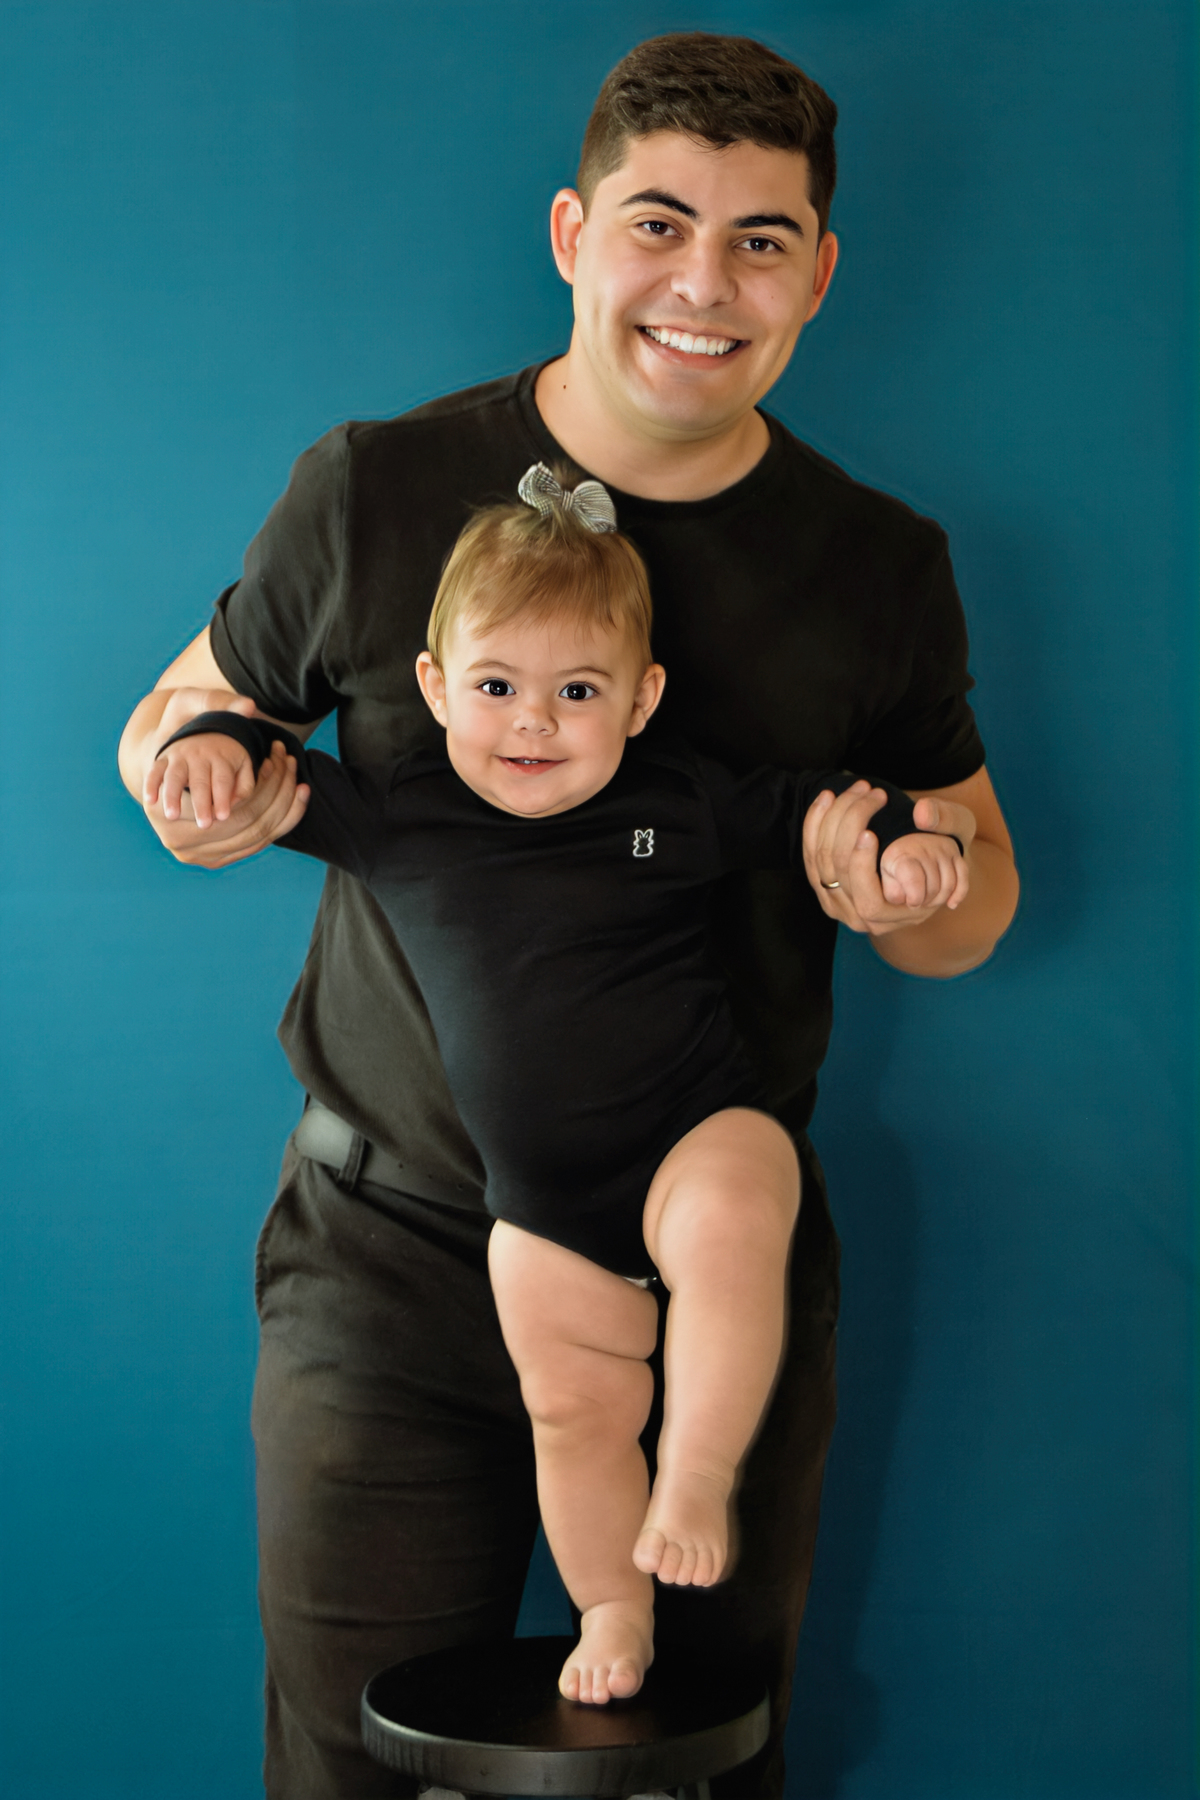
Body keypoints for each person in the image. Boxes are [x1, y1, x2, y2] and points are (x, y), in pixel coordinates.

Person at [117, 32, 1019, 1799]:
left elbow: (974, 900)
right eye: (658, 224)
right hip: (386, 1265)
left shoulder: (876, 562)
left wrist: (898, 890)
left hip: (708, 1260)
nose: (704, 283)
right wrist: (196, 796)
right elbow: (176, 724)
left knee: (696, 1765)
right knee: (347, 1768)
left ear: (820, 273)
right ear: (572, 234)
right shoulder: (374, 488)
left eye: (761, 241)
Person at [149, 467, 969, 1709]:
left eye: (578, 692)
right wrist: (211, 748)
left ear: (642, 699)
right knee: (574, 1414)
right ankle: (614, 1606)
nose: (533, 723)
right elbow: (262, 754)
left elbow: (827, 808)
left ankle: (696, 1474)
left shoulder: (675, 802)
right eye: (496, 689)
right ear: (435, 688)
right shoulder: (399, 813)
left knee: (738, 1214)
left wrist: (902, 845)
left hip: (693, 1132)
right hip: (537, 1206)